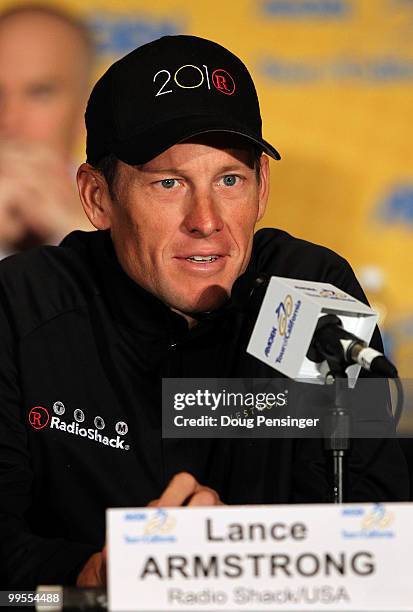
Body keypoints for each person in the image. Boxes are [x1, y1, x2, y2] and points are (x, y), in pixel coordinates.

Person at [0, 35, 408, 589]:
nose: (207, 220)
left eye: (229, 180)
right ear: (98, 198)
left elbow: (374, 534)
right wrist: (95, 572)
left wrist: (237, 551)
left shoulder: (311, 293)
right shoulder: (22, 306)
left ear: (262, 189)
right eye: (169, 183)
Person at [0, 3, 94, 256]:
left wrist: (79, 236)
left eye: (39, 92)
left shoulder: (126, 215)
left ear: (86, 109)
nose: (9, 118)